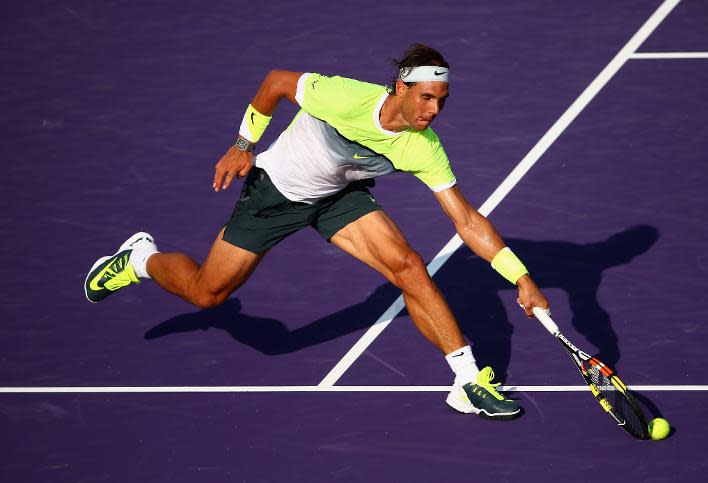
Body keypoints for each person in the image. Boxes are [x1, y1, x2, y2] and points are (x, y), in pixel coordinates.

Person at [84, 44, 549, 420]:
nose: (434, 110)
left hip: (339, 197)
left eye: (441, 101)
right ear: (400, 88)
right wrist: (244, 143)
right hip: (275, 194)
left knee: (408, 267)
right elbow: (276, 83)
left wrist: (521, 277)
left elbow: (465, 220)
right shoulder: (343, 96)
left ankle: (467, 381)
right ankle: (140, 259)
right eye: (426, 97)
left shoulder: (423, 148)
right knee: (207, 294)